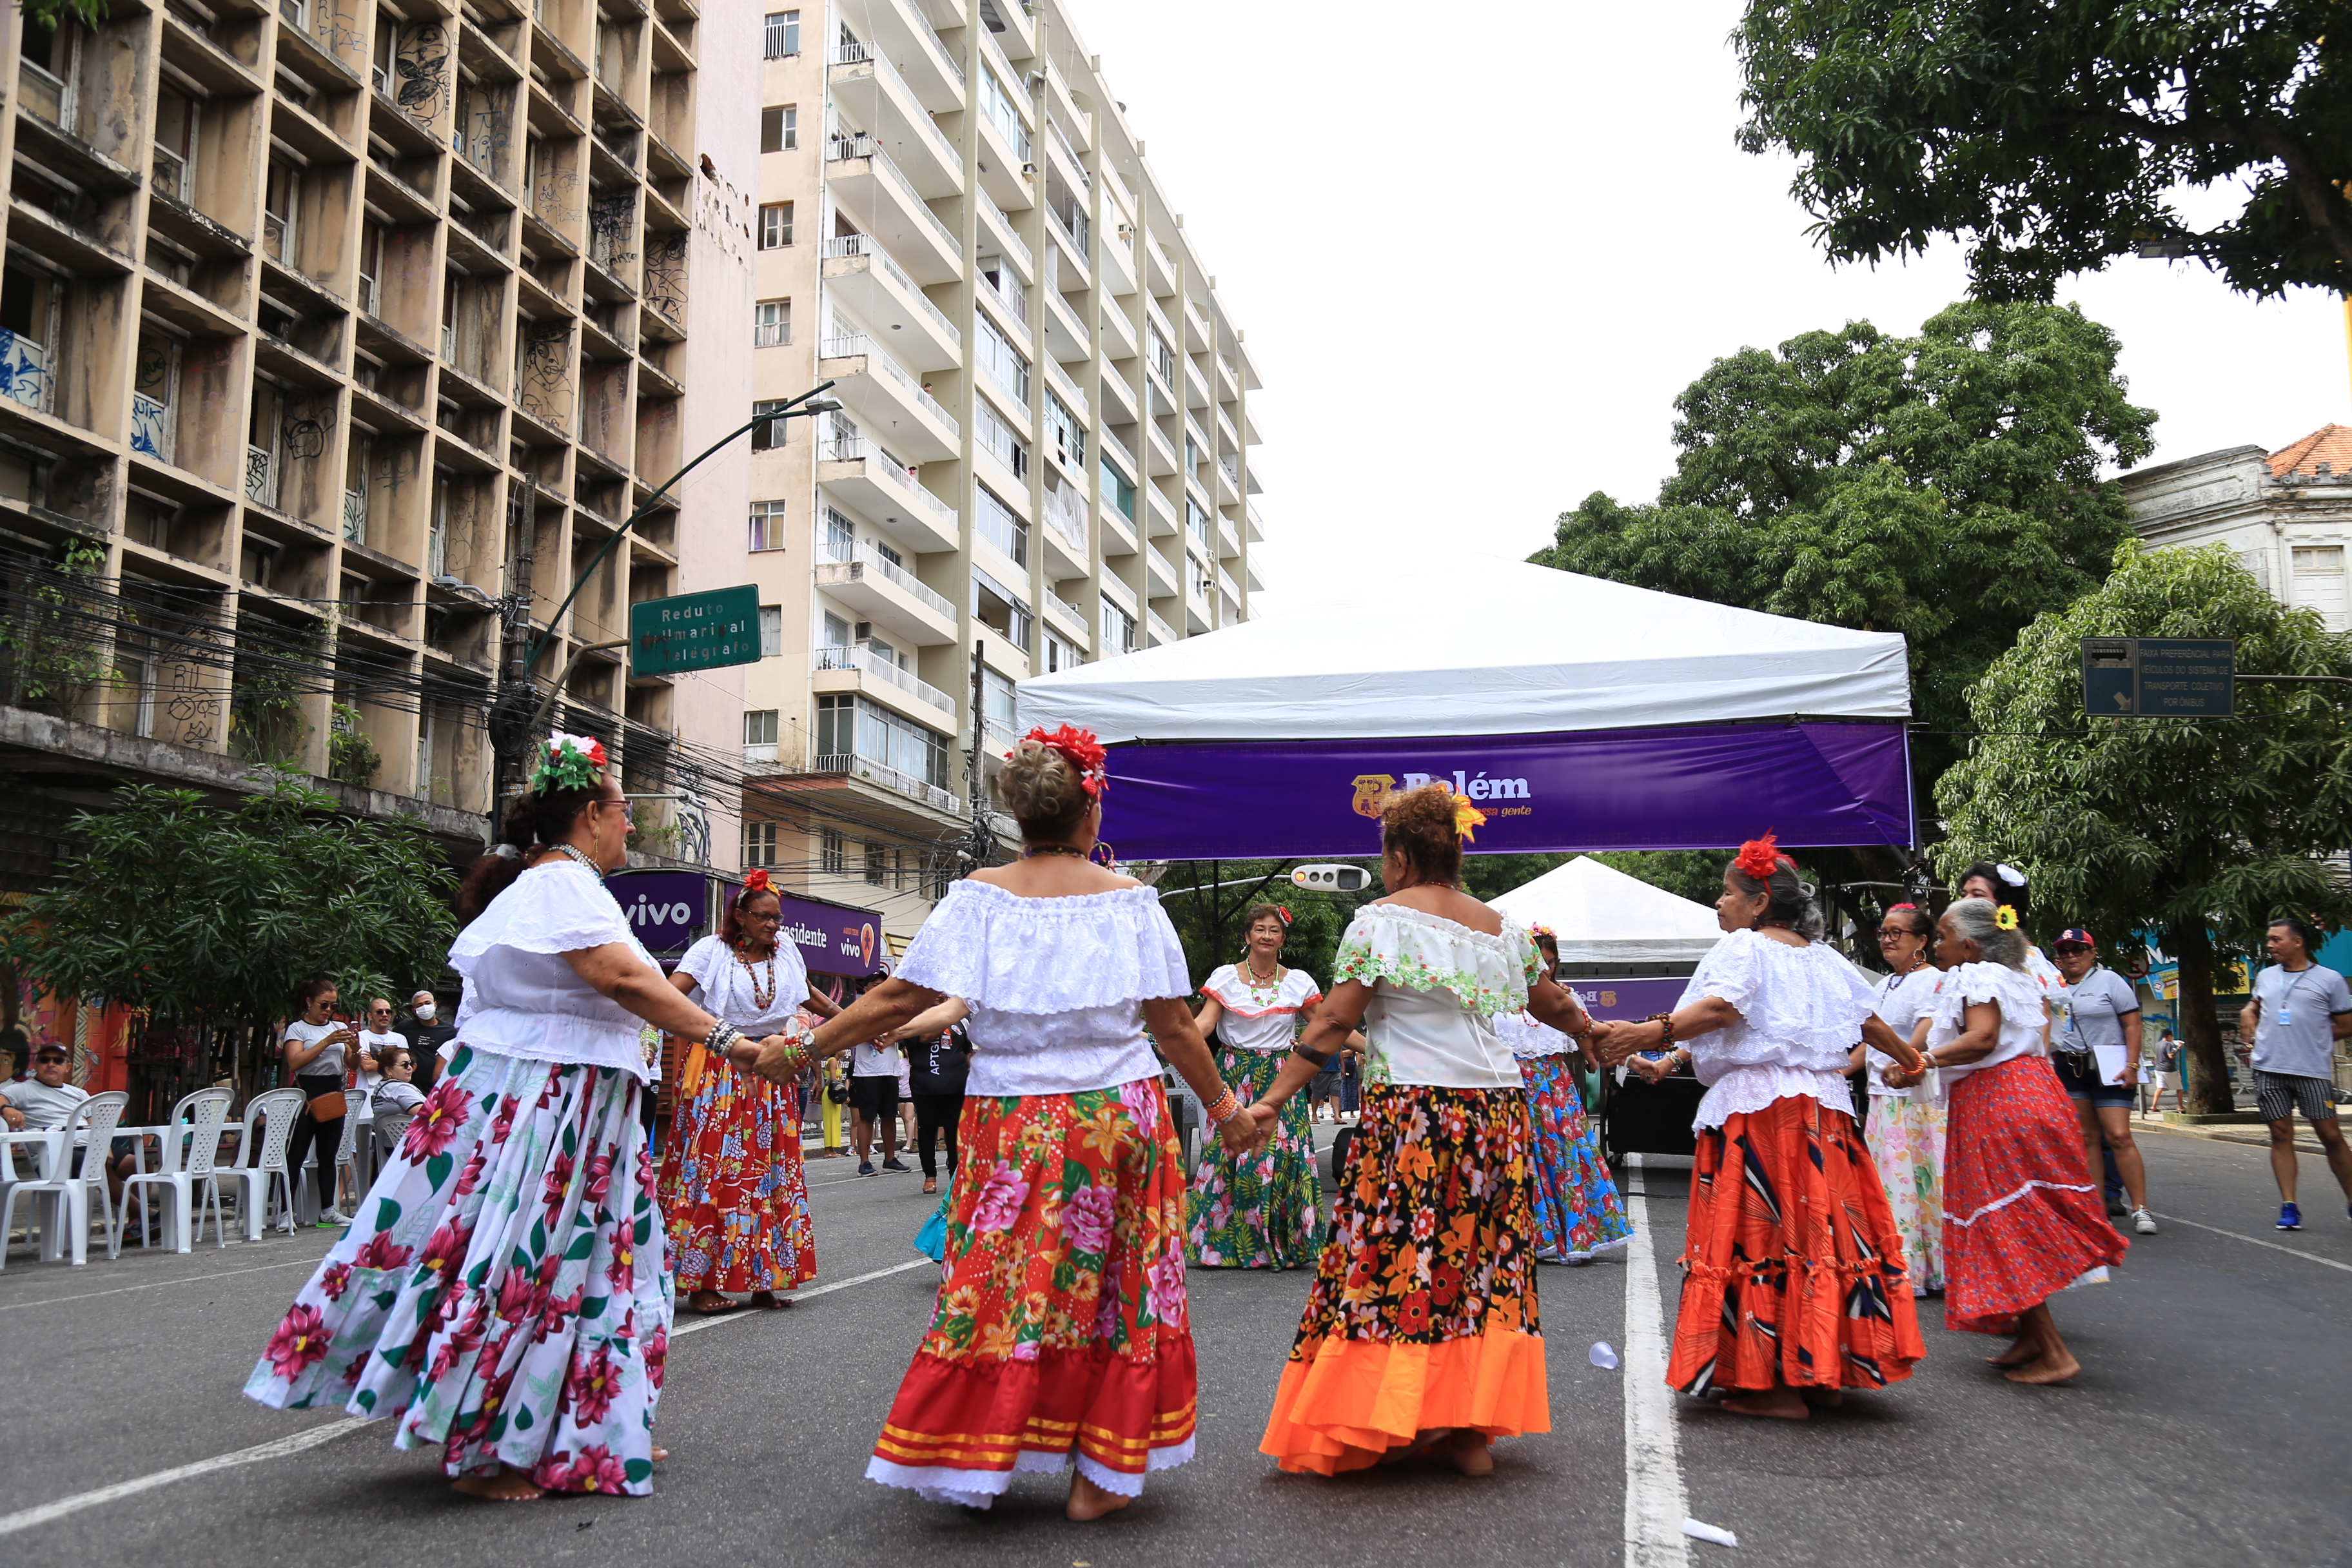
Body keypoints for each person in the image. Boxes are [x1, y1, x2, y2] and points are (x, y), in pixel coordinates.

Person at [245, 731, 793, 1502]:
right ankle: (491, 1446)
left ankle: (586, 1426)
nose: (630, 824)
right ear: (591, 816)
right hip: (548, 1102)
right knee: (528, 1263)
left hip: (573, 1102)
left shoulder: (558, 884)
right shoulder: (561, 885)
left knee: (590, 1266)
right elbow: (623, 978)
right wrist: (734, 1042)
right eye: (623, 810)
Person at [756, 725, 1251, 1520]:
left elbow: (897, 997)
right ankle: (1101, 1471)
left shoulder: (977, 898)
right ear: (1092, 812)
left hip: (1013, 1118)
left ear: (1018, 816)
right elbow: (1174, 1027)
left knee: (999, 1278)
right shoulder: (1131, 902)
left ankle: (979, 1447)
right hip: (1116, 1115)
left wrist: (804, 1046)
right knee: (1118, 1284)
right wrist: (1227, 1111)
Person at [1244, 783, 1582, 1476]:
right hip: (1495, 1113)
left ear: (1399, 856)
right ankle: (1468, 1430)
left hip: (1416, 1111)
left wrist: (1272, 1100)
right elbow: (1552, 1002)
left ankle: (1396, 1417)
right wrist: (1599, 1034)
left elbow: (1333, 1021)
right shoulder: (1502, 928)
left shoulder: (1380, 921)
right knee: (1479, 1258)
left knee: (1398, 1255)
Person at [1591, 836, 1927, 1418]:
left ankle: (1775, 1387)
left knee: (1764, 1237)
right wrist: (1911, 1059)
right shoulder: (1824, 959)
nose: (1720, 903)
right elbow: (1868, 1022)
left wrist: (1646, 1032)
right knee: (1818, 1237)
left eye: (1727, 893)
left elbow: (1722, 1011)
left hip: (1762, 1118)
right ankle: (1816, 1370)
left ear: (1760, 901)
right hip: (1824, 1115)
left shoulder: (1744, 948)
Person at [1888, 896, 2126, 1384]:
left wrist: (1921, 1062)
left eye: (1943, 937)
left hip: (2000, 1101)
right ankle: (2030, 1337)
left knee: (2005, 1222)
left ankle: (2055, 1352)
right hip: (2029, 1092)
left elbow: (1983, 1039)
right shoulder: (2014, 975)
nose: (1937, 945)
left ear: (1970, 945)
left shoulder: (1976, 976)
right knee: (2012, 1216)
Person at [658, 868, 839, 1315]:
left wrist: (853, 1023)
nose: (774, 925)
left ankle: (764, 1278)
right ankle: (701, 1283)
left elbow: (810, 996)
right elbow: (667, 997)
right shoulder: (710, 952)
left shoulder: (787, 952)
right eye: (764, 917)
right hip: (720, 1071)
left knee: (771, 1173)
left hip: (774, 1070)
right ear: (740, 916)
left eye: (778, 918)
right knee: (716, 1172)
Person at [1187, 902, 1329, 1269]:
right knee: (1228, 1152)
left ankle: (1282, 1244)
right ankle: (1225, 1247)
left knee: (1284, 1156)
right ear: (1248, 936)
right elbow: (1205, 1025)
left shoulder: (1298, 982)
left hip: (1282, 1076)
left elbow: (1331, 1026)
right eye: (1260, 929)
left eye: (1274, 930)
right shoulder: (1226, 977)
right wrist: (1168, 1041)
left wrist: (1376, 1048)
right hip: (1234, 1075)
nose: (1267, 936)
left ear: (1283, 939)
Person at [1502, 926, 1631, 1265]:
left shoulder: (1565, 999)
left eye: (1550, 963)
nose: (1543, 970)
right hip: (1509, 1085)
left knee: (1563, 1158)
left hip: (1554, 1091)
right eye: (1537, 963)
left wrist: (1636, 1060)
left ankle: (1570, 1234)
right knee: (1519, 1159)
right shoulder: (1499, 998)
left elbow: (1594, 1037)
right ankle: (1528, 1236)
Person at [1847, 903, 1946, 1295]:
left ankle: (1921, 1269)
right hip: (1883, 1099)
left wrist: (1906, 1061)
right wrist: (1840, 1072)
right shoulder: (1885, 984)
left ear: (1921, 940)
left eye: (1896, 933)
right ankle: (1896, 1262)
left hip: (1913, 1101)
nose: (1887, 940)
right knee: (1888, 1186)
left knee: (1916, 1184)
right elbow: (1872, 1040)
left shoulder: (1932, 979)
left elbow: (1928, 1027)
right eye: (1884, 933)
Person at [2237, 914, 2352, 1230]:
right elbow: (2255, 1005)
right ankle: (2289, 1206)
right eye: (2269, 939)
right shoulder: (2266, 976)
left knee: (2331, 1136)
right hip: (2268, 1068)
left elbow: (2347, 1025)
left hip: (2311, 1070)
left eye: (2276, 939)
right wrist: (2247, 1010)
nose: (2270, 944)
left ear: (2298, 942)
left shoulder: (2330, 979)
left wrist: (2313, 1038)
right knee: (2280, 1134)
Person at [2048, 928, 2154, 1235]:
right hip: (2070, 1067)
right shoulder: (2054, 986)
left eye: (2078, 949)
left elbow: (2133, 1024)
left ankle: (2142, 1209)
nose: (2071, 956)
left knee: (2119, 1136)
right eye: (2065, 951)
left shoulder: (2110, 980)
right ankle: (2097, 1209)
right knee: (2087, 1138)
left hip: (2110, 1066)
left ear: (2092, 953)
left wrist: (2132, 1065)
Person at [280, 980, 358, 1228]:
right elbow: (295, 1062)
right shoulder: (298, 1029)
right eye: (324, 1005)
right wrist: (326, 1041)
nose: (328, 1010)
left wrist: (355, 1049)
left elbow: (352, 1064)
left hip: (333, 1092)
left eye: (333, 1006)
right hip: (307, 1094)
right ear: (309, 1002)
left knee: (328, 1155)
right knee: (296, 1155)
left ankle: (328, 1210)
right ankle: (286, 1212)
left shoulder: (338, 1026)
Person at [890, 999, 972, 1195]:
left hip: (956, 1088)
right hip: (925, 1087)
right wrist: (945, 1017)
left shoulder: (960, 1023)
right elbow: (926, 1038)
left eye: (942, 994)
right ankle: (930, 1176)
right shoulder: (916, 1021)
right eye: (934, 993)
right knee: (927, 1130)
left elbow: (967, 1051)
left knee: (954, 1131)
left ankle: (955, 1177)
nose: (939, 996)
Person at [847, 1002, 906, 1177]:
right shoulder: (860, 1011)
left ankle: (890, 1160)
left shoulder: (893, 1012)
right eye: (873, 987)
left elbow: (903, 1033)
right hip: (867, 1072)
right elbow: (853, 1034)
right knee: (867, 1117)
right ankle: (864, 1163)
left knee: (889, 1116)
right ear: (866, 990)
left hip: (890, 1070)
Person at [368, 1045, 426, 1158]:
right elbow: (426, 1113)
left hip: (392, 1148)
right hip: (414, 1147)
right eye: (404, 1065)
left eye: (410, 1063)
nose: (410, 1068)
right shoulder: (400, 1089)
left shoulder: (380, 1088)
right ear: (388, 1070)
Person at [2154, 1028, 2184, 1113]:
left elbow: (2156, 1057)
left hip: (2159, 1069)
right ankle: (2180, 1106)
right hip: (2169, 1069)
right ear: (2169, 1036)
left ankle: (2154, 1106)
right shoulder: (2168, 1044)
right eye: (2172, 1036)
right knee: (2179, 1088)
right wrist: (2178, 1048)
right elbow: (2171, 1056)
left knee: (2160, 1088)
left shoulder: (2158, 1044)